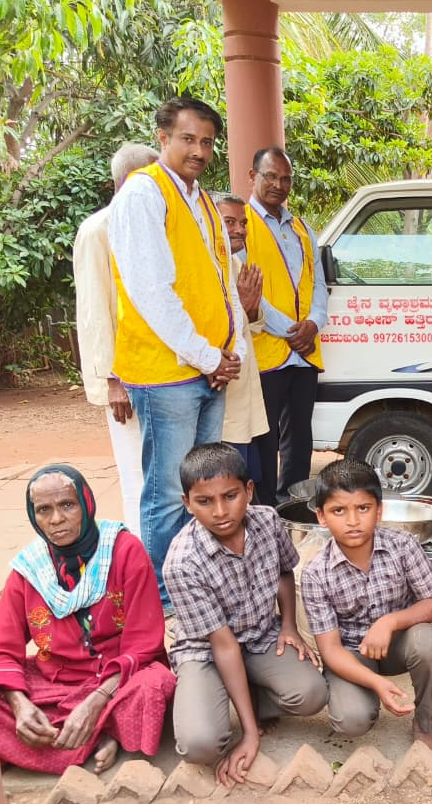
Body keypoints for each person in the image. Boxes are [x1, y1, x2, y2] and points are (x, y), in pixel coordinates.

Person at [107, 97, 248, 608]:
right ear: (163, 138)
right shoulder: (144, 194)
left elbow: (219, 283)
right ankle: (165, 601)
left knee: (206, 490)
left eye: (208, 142)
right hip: (167, 373)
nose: (199, 150)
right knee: (169, 494)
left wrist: (227, 355)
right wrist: (210, 356)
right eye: (188, 139)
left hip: (208, 368)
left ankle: (199, 583)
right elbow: (152, 294)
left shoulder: (202, 199)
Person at [0, 465, 175, 774]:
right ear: (33, 516)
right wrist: (20, 707)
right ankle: (103, 736)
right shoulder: (29, 569)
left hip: (118, 680)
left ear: (86, 504)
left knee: (154, 685)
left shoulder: (124, 551)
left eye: (67, 505)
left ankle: (72, 739)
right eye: (43, 510)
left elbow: (144, 645)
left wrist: (97, 700)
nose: (56, 519)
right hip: (55, 682)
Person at [164, 443, 326, 785]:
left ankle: (247, 693)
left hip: (260, 634)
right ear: (187, 504)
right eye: (205, 502)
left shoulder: (267, 521)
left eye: (231, 495)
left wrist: (288, 626)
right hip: (207, 650)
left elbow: (285, 571)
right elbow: (223, 647)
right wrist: (250, 734)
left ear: (249, 491)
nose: (221, 511)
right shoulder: (182, 562)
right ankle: (221, 697)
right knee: (200, 745)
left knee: (312, 693)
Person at [300, 460, 432, 754]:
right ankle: (365, 693)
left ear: (379, 511)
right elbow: (330, 650)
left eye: (363, 508)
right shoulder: (315, 573)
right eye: (339, 511)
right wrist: (376, 683)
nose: (353, 521)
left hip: (397, 645)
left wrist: (389, 622)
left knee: (429, 643)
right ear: (321, 516)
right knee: (351, 720)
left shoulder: (404, 545)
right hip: (351, 654)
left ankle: (424, 723)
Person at [72, 142, 159, 532]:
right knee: (137, 479)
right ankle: (142, 568)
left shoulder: (155, 225)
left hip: (163, 373)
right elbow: (94, 313)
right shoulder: (97, 230)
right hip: (125, 379)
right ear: (130, 181)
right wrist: (113, 380)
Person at [244, 146, 328, 504]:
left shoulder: (302, 227)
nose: (279, 184)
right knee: (263, 440)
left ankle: (293, 508)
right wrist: (291, 331)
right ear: (253, 177)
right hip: (267, 352)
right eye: (271, 176)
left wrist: (313, 323)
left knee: (300, 439)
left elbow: (319, 283)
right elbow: (242, 287)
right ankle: (264, 513)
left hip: (305, 353)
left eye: (286, 178)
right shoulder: (239, 224)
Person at [212, 193, 270, 469]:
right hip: (221, 398)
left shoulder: (235, 265)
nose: (239, 230)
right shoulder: (206, 267)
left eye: (243, 223)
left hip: (243, 395)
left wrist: (249, 309)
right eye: (230, 222)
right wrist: (242, 310)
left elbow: (256, 324)